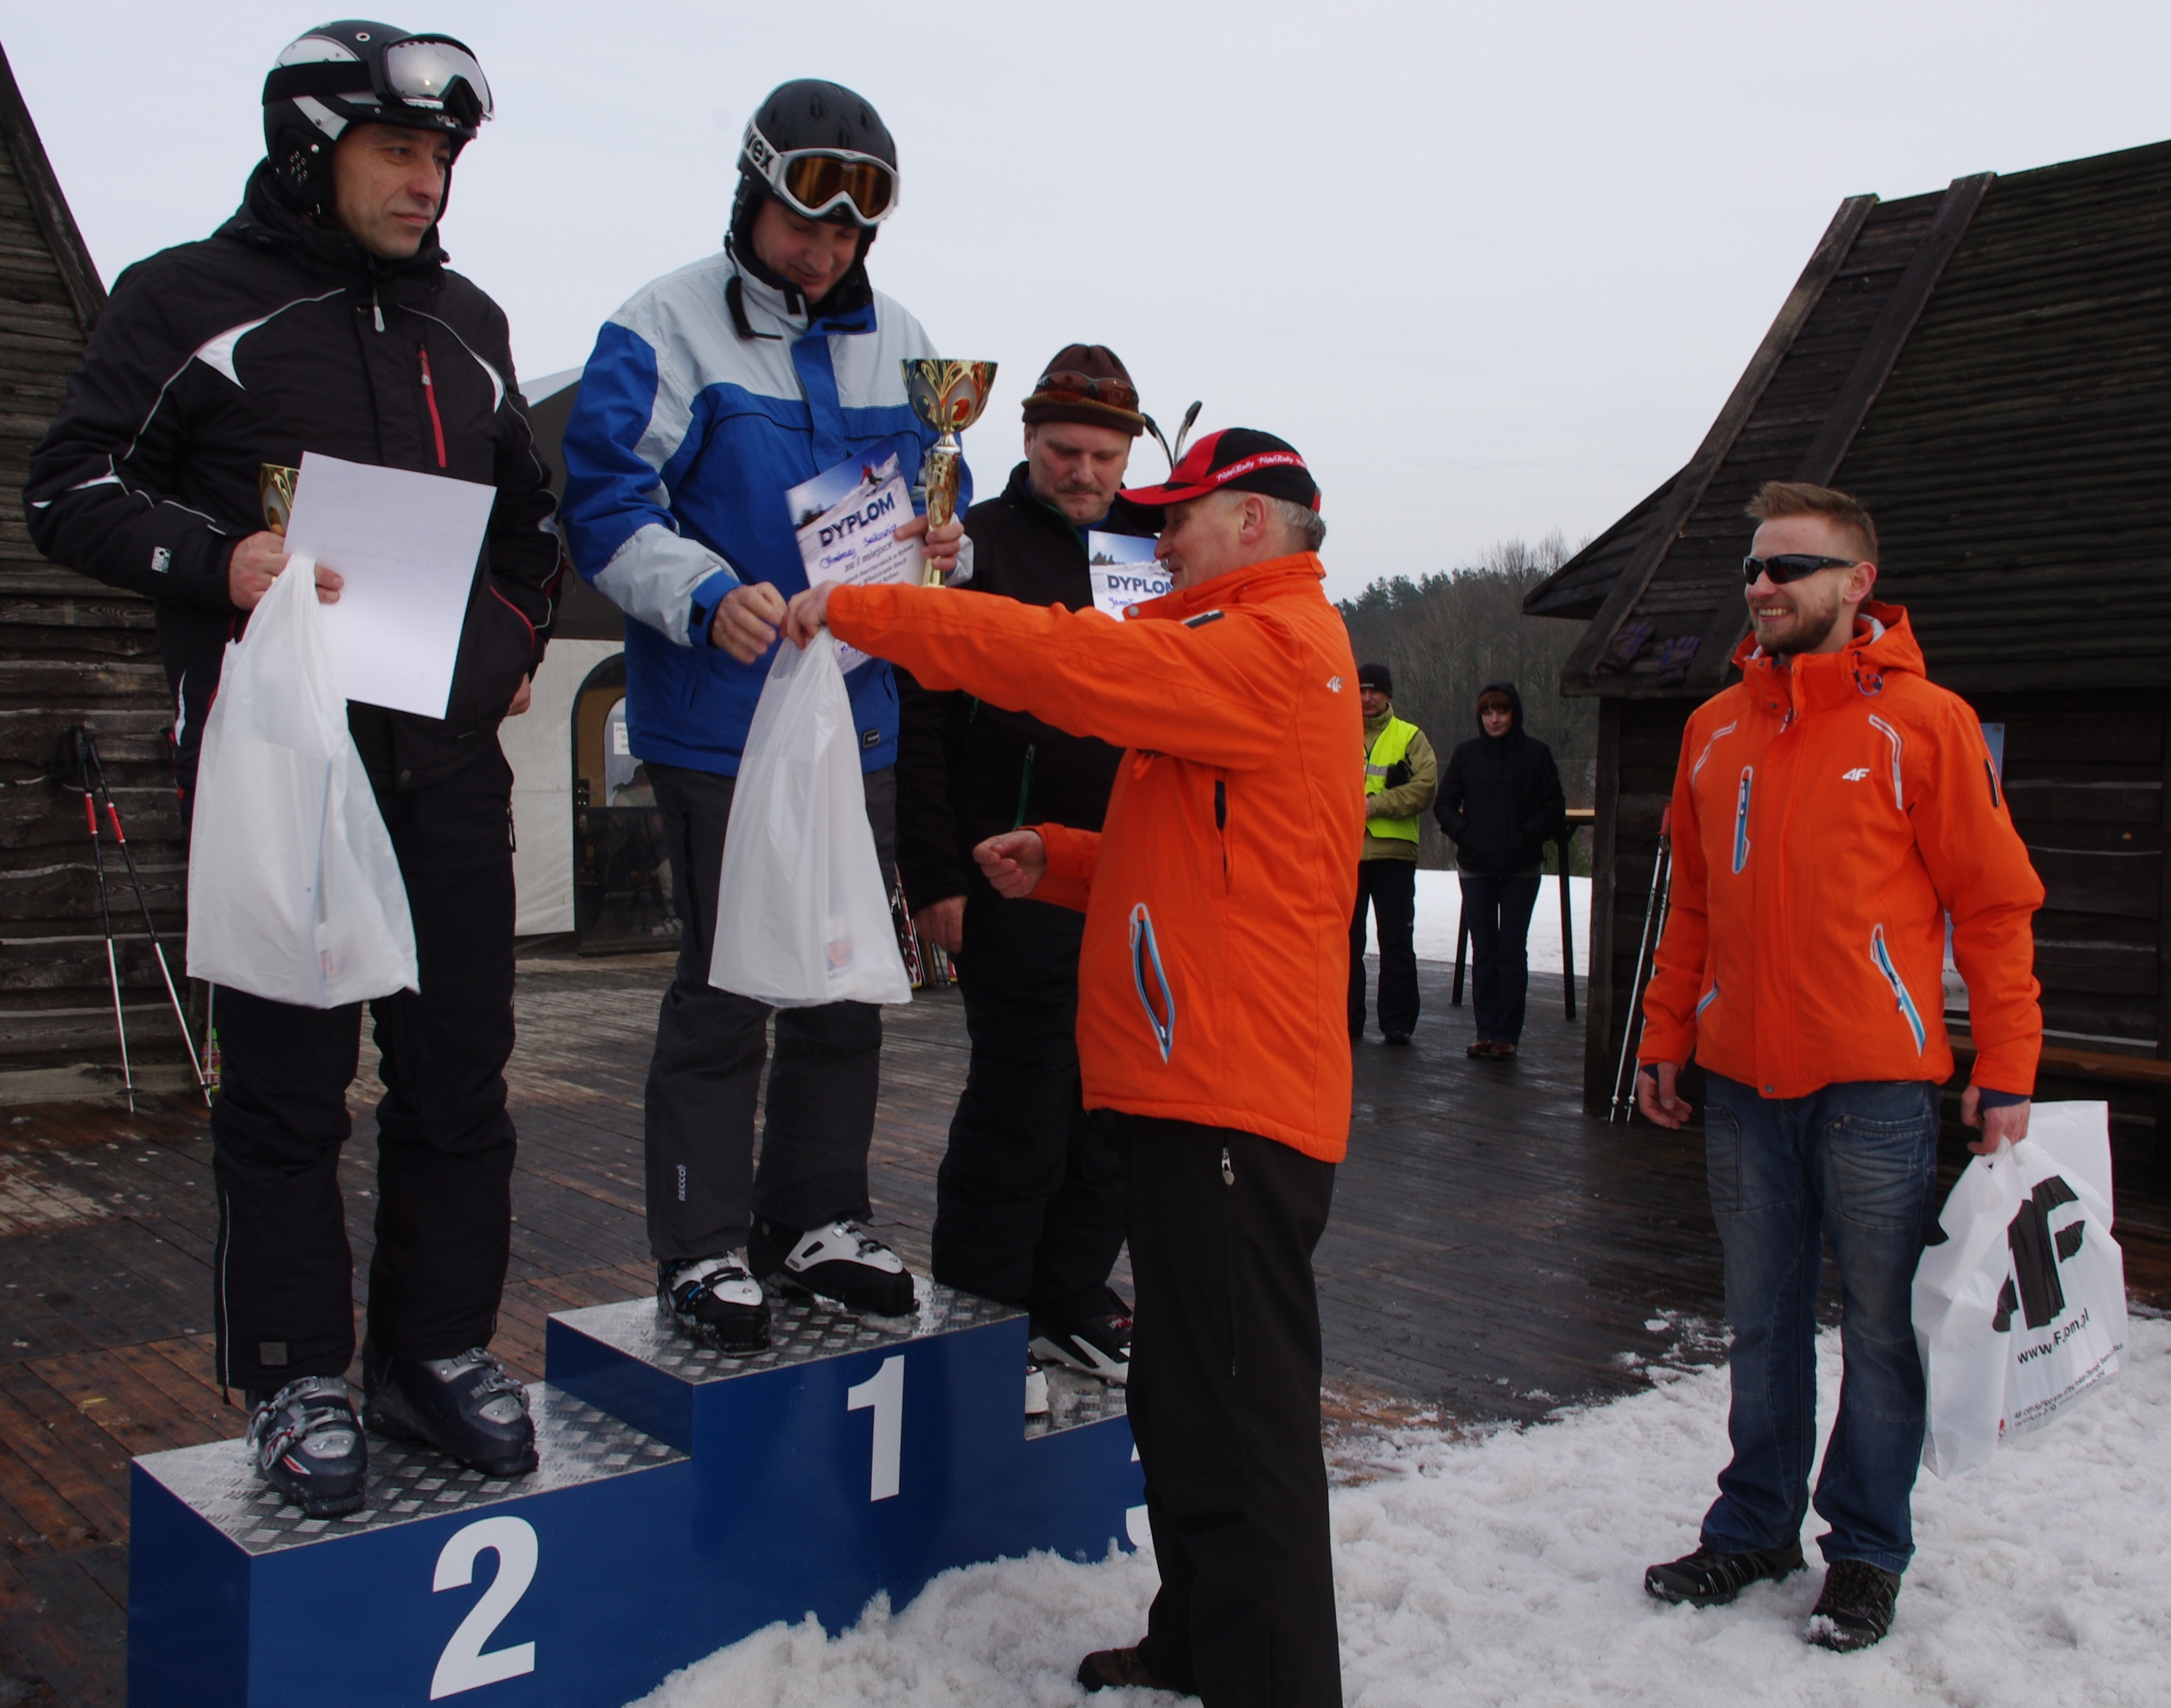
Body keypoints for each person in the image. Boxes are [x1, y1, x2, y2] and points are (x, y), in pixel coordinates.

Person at [24, 22, 561, 1515]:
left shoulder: (472, 321)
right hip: (279, 761)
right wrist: (224, 559)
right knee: (287, 1093)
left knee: (459, 1076)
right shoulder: (187, 300)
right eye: (399, 151)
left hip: (444, 768)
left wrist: (506, 654)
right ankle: (295, 1373)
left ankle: (434, 1350)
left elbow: (531, 528)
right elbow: (68, 488)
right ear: (308, 150)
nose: (428, 182)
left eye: (444, 156)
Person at [788, 427, 1355, 1707]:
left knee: (1239, 1416)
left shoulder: (1262, 646)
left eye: (1181, 513)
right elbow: (1224, 853)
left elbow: (1057, 657)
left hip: (1231, 1093)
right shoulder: (1242, 656)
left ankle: (1271, 1678)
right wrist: (1068, 857)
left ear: (1255, 522)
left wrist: (877, 608)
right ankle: (1205, 1638)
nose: (1156, 536)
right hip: (1191, 1080)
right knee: (1184, 1395)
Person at [560, 79, 964, 1351]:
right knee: (730, 988)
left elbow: (930, 509)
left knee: (847, 974)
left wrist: (944, 549)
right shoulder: (664, 322)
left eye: (851, 230)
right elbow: (605, 504)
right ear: (754, 196)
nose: (826, 246)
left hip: (859, 719)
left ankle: (815, 1222)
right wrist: (706, 595)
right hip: (721, 715)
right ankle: (698, 1243)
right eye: (807, 219)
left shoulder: (900, 335)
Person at [1636, 480, 2043, 1651]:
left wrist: (2006, 1062)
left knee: (1877, 1329)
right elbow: (1693, 908)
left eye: (1789, 569)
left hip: (1876, 1086)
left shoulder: (1927, 724)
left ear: (1857, 584)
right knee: (1759, 1324)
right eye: (1753, 571)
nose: (1762, 588)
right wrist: (1668, 1035)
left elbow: (1995, 904)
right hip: (1742, 1084)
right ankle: (1754, 1527)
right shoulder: (1713, 729)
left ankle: (1865, 1551)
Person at [895, 345, 1155, 1389]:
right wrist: (934, 873)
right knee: (1024, 1103)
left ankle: (1072, 1297)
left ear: (1131, 453)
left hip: (1138, 873)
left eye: (1102, 454)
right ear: (1026, 442)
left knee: (1120, 1106)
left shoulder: (1154, 550)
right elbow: (919, 712)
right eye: (1063, 451)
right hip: (1014, 874)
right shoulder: (977, 547)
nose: (1083, 472)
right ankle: (982, 1323)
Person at [1433, 683, 1564, 1058]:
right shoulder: (1466, 754)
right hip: (1476, 868)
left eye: (1501, 711)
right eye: (1488, 712)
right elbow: (1444, 803)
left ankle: (1508, 1035)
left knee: (1511, 950)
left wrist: (1522, 837)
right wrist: (1465, 835)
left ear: (1514, 714)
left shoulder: (1536, 755)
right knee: (1485, 949)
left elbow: (1553, 807)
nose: (1494, 719)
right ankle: (1486, 1031)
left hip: (1521, 868)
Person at [1348, 662, 1437, 1045]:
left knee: (1396, 939)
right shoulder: (1338, 731)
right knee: (1346, 941)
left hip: (1394, 854)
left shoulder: (1411, 736)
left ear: (1389, 694)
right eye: (1362, 690)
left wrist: (1378, 803)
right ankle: (1346, 1019)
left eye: (1375, 691)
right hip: (1347, 852)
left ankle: (1398, 1021)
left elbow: (1426, 788)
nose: (1368, 698)